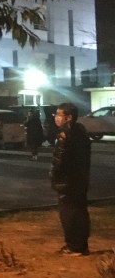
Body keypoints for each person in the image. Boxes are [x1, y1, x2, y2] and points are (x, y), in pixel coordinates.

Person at [51, 102, 91, 255]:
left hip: (67, 182)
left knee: (69, 214)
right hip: (80, 179)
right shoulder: (81, 131)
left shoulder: (65, 134)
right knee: (80, 213)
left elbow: (59, 160)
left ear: (68, 117)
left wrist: (54, 177)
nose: (56, 118)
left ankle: (74, 246)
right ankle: (81, 244)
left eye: (58, 114)